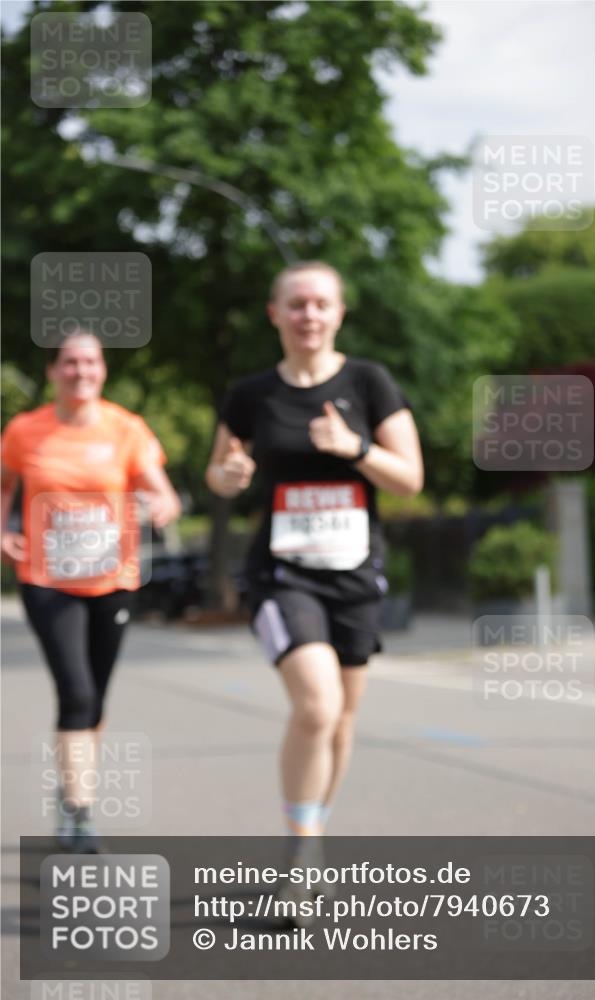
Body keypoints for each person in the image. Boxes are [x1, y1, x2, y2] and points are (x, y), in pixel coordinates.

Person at [206, 261, 423, 862]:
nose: (309, 315)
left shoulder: (368, 383)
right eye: (296, 304)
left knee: (343, 721)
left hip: (354, 575)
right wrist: (228, 475)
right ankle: (302, 854)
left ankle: (314, 830)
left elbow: (409, 479)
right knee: (317, 707)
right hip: (282, 575)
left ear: (339, 313)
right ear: (275, 313)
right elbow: (220, 476)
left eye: (321, 304)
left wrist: (355, 448)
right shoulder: (252, 395)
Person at [1, 330, 181, 851]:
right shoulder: (24, 431)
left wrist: (164, 505)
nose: (81, 371)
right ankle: (79, 813)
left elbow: (158, 489)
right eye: (70, 363)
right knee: (76, 691)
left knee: (95, 698)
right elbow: (5, 483)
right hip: (47, 578)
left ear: (102, 370)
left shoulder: (126, 429)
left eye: (91, 362)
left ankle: (70, 787)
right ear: (52, 372)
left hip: (112, 578)